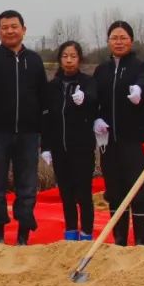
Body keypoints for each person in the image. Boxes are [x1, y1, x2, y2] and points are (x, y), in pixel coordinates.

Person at [0, 10, 48, 245]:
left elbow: (43, 97)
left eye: (14, 26)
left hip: (28, 133)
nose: (10, 31)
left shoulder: (34, 60)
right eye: (5, 27)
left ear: (23, 29)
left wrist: (44, 132)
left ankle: (23, 235)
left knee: (27, 186)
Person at [92, 20, 144, 246]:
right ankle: (119, 239)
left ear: (131, 41)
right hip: (109, 142)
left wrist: (139, 89)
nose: (118, 42)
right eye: (114, 38)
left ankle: (141, 241)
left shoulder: (141, 66)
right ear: (108, 42)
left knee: (139, 190)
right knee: (115, 190)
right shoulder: (101, 70)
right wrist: (96, 118)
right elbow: (94, 99)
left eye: (123, 38)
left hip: (136, 141)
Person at [41, 41, 98, 242]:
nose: (69, 60)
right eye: (65, 56)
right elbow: (46, 118)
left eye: (73, 56)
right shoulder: (52, 86)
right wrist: (45, 146)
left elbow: (95, 104)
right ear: (60, 59)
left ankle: (87, 233)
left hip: (82, 148)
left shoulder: (88, 82)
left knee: (83, 193)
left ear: (79, 59)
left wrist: (85, 99)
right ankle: (71, 232)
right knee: (66, 193)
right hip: (59, 149)